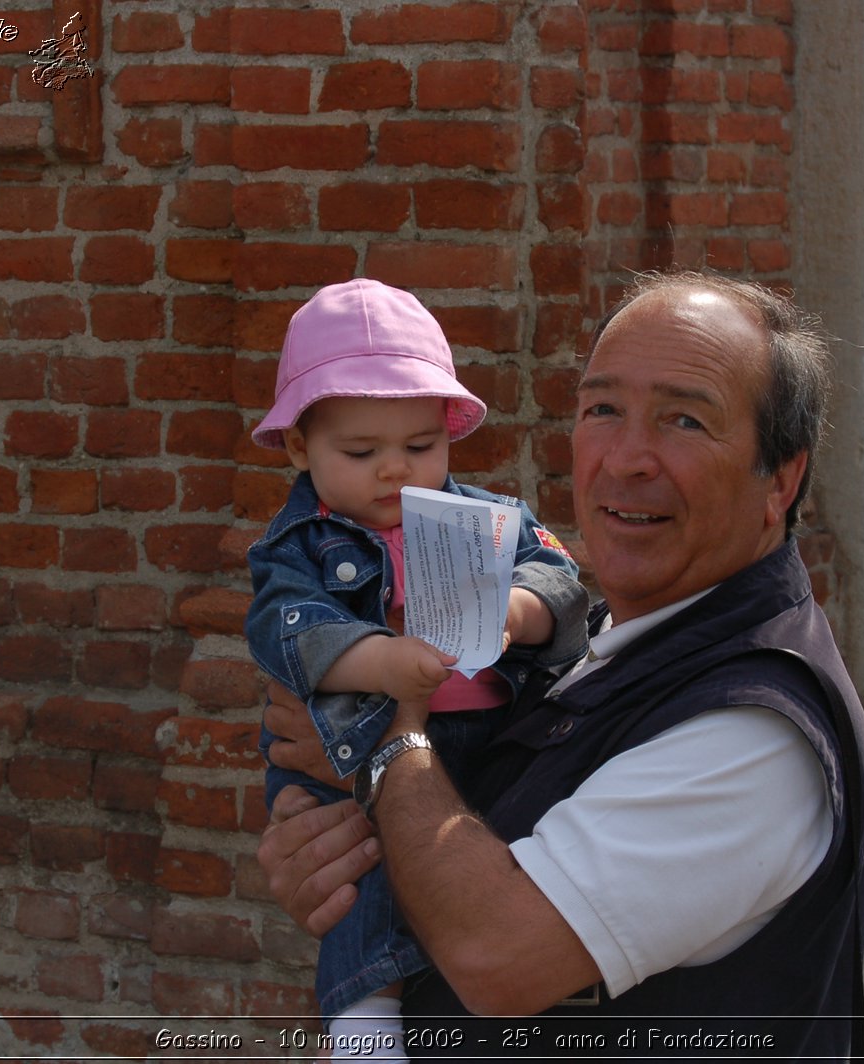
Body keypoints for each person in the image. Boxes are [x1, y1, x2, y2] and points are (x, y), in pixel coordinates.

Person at [257, 272, 864, 1061]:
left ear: (780, 481)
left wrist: (375, 742)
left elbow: (498, 958)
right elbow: (448, 847)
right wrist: (337, 856)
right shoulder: (608, 644)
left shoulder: (754, 729)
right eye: (602, 410)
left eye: (685, 420)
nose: (625, 459)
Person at [245, 278, 588, 1058]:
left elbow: (562, 582)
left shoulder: (491, 520)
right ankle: (364, 1023)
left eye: (420, 447)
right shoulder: (297, 547)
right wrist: (384, 662)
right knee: (361, 870)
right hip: (357, 749)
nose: (394, 471)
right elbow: (286, 632)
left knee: (491, 875)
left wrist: (516, 612)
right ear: (300, 447)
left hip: (491, 735)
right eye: (361, 452)